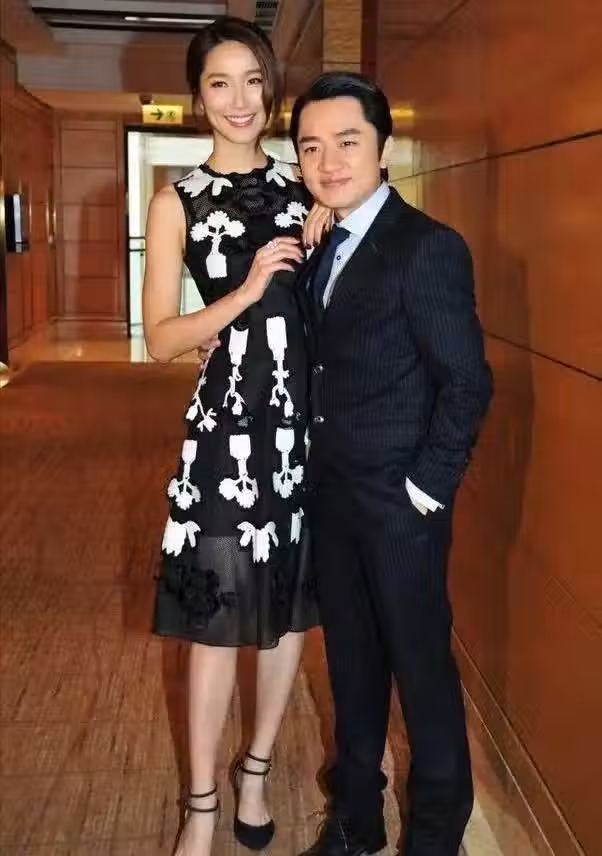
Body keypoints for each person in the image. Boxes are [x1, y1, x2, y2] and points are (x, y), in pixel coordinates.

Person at [289, 72, 494, 856]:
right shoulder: (325, 244)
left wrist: (423, 490)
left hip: (400, 507)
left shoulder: (427, 247)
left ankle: (435, 837)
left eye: (347, 142)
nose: (329, 162)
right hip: (333, 496)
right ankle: (357, 819)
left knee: (421, 673)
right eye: (312, 147)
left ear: (384, 148)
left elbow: (467, 382)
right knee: (351, 666)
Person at [142, 17, 328, 856]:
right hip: (225, 431)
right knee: (213, 620)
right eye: (220, 83)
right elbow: (161, 339)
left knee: (287, 613)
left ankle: (256, 770)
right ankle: (201, 803)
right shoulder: (175, 199)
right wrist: (243, 294)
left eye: (254, 80)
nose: (240, 100)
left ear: (273, 87)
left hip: (303, 426)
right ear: (197, 97)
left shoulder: (309, 186)